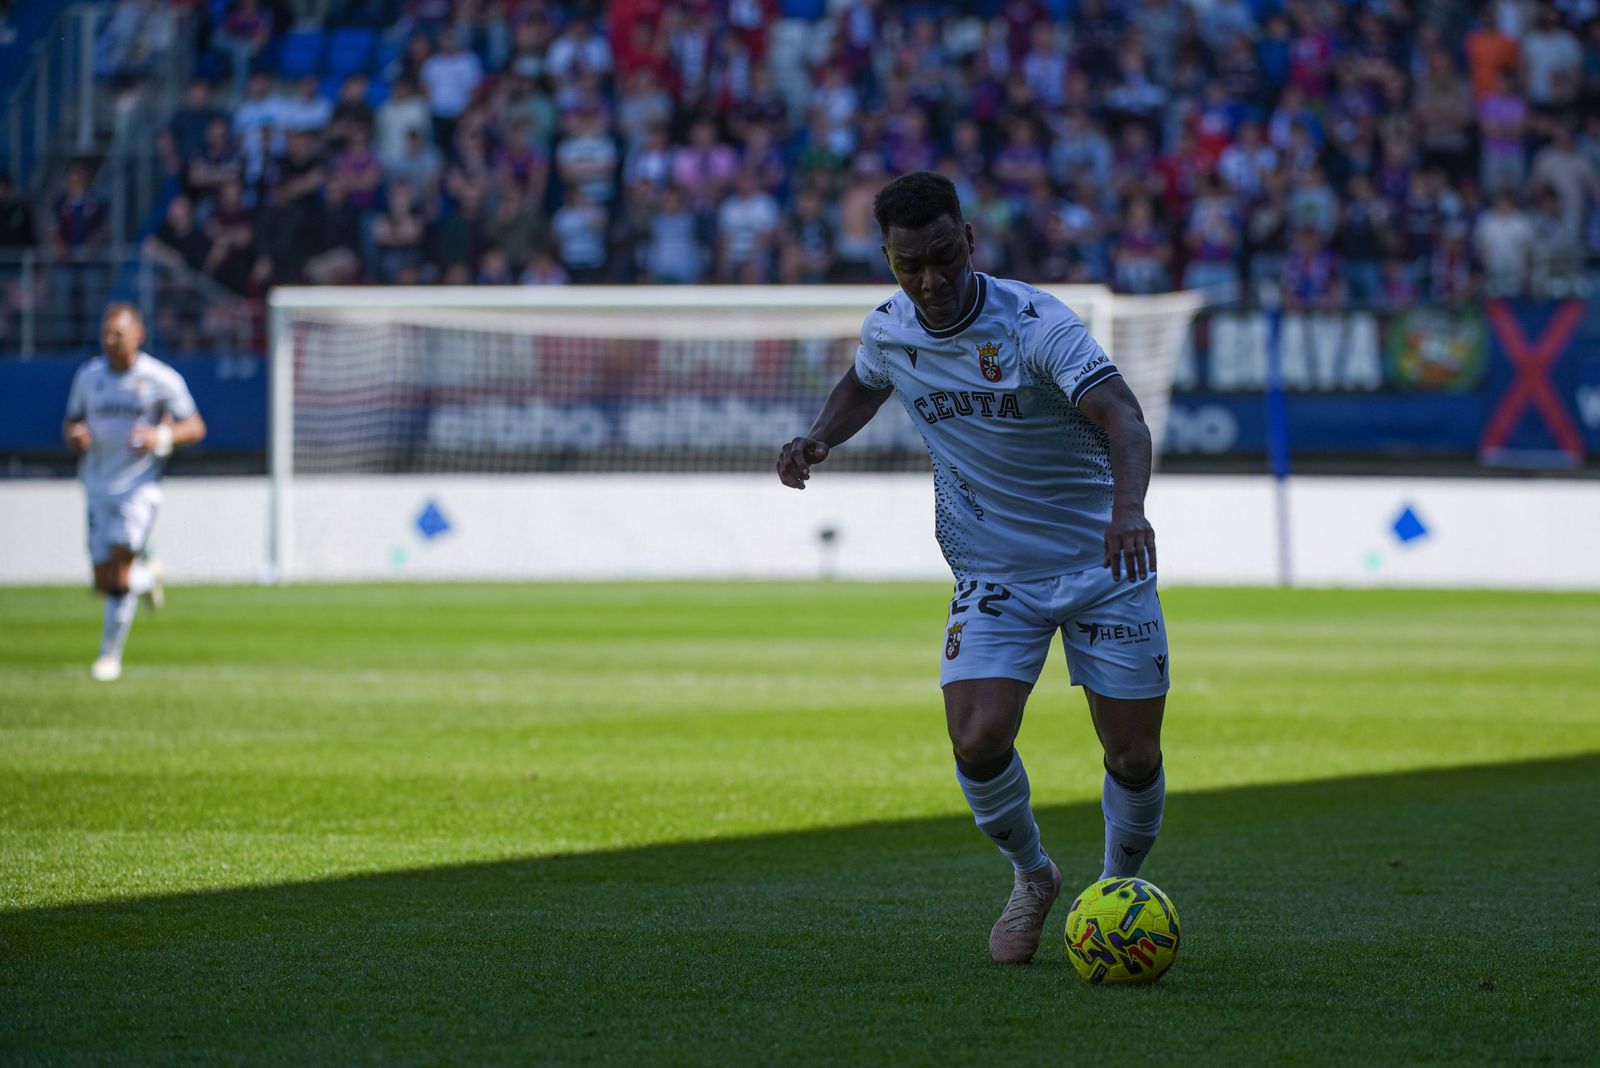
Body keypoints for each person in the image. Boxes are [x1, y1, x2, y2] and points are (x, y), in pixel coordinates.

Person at [776, 171, 1168, 966]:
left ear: (970, 242)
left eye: (944, 259)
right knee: (978, 737)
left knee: (1132, 754)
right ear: (889, 260)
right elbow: (865, 381)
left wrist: (1129, 510)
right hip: (992, 570)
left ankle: (1112, 891)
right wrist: (820, 436)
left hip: (1104, 556)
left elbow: (1122, 415)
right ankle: (1033, 875)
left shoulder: (1035, 324)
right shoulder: (891, 329)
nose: (931, 281)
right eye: (909, 265)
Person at [62, 303, 206, 681]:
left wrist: (161, 435)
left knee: (119, 571)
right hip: (96, 484)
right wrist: (76, 437)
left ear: (138, 335)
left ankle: (109, 656)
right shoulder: (89, 377)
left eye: (118, 335)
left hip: (139, 489)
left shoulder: (160, 379)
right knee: (103, 580)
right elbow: (72, 421)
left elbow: (194, 426)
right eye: (106, 334)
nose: (111, 342)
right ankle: (148, 578)